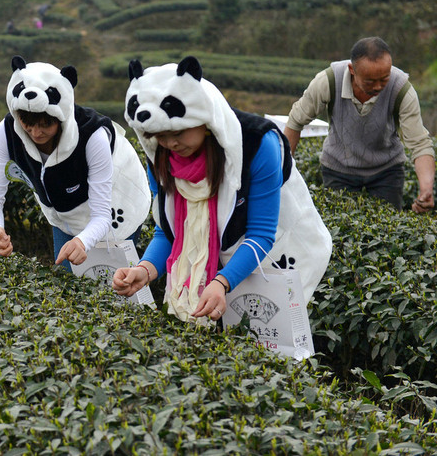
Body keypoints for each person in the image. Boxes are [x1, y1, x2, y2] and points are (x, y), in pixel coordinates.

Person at [112, 56, 331, 323]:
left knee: (272, 341)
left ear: (203, 119)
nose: (170, 143)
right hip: (219, 260)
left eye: (178, 132)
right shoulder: (161, 155)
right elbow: (168, 231)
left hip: (279, 252)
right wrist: (145, 269)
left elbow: (262, 233)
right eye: (160, 135)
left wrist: (222, 282)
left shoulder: (258, 144)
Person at [0, 56, 151, 268]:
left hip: (118, 203)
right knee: (67, 281)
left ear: (60, 116)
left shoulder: (92, 136)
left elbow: (102, 214)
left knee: (113, 287)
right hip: (63, 213)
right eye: (28, 124)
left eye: (45, 124)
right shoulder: (7, 132)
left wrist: (82, 241)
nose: (36, 133)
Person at [283, 37, 435, 213]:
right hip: (338, 168)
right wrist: (284, 174)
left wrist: (426, 191)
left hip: (386, 172)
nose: (378, 86)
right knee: (339, 225)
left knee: (387, 225)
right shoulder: (329, 81)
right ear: (352, 70)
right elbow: (295, 121)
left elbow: (420, 143)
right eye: (370, 81)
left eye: (384, 79)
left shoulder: (401, 89)